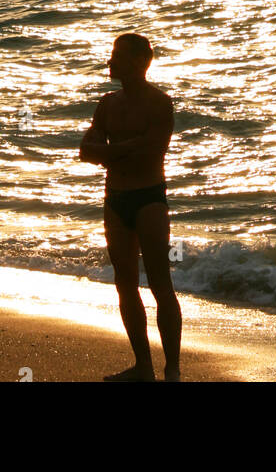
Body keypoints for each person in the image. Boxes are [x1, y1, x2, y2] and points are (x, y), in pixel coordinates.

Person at [79, 33, 182, 382]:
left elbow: (152, 151)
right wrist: (124, 149)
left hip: (149, 197)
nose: (111, 62)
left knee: (160, 284)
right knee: (125, 284)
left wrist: (110, 152)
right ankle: (143, 366)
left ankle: (172, 369)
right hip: (116, 200)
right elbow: (85, 151)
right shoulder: (107, 104)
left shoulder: (159, 102)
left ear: (141, 62)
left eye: (118, 56)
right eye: (112, 55)